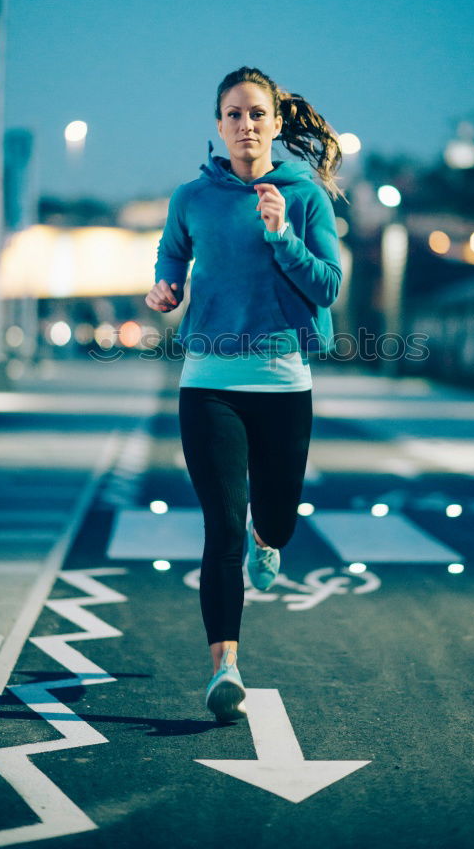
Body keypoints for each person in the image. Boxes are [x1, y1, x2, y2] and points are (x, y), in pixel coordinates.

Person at [145, 66, 347, 723]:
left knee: (276, 520)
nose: (245, 125)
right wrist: (164, 290)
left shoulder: (305, 195)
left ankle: (272, 537)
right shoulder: (191, 198)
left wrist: (281, 234)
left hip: (284, 381)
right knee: (221, 525)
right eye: (232, 114)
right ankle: (224, 666)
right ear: (218, 125)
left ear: (276, 123)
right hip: (209, 381)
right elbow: (171, 258)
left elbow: (325, 287)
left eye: (256, 113)